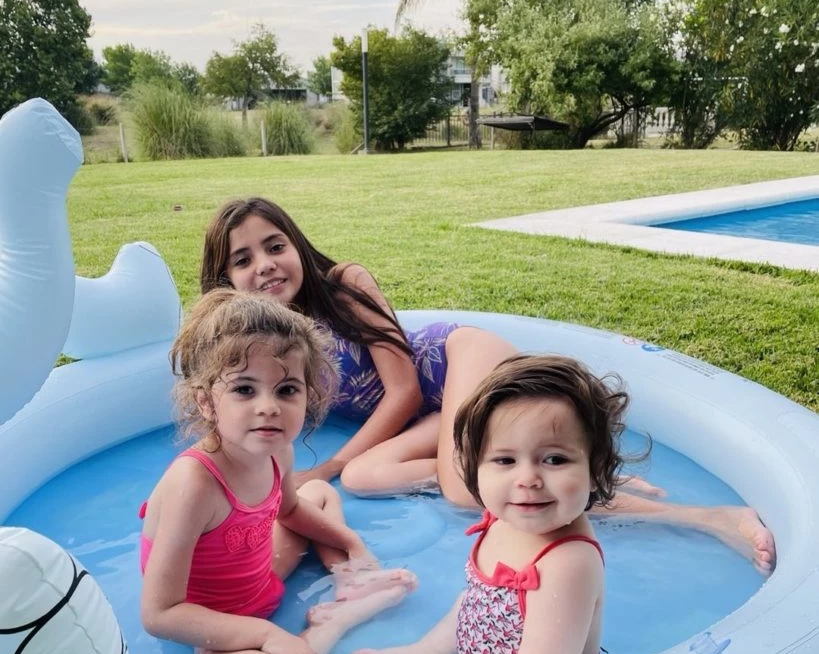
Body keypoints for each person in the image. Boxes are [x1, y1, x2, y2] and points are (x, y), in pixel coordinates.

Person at [200, 197, 775, 576]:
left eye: (276, 245)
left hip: (463, 364)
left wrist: (319, 471)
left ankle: (711, 517)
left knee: (457, 489)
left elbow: (399, 391)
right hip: (433, 414)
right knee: (365, 476)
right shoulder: (267, 340)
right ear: (226, 279)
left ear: (297, 244)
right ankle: (534, 465)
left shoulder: (343, 284)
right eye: (244, 260)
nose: (267, 265)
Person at [139, 289, 417, 654]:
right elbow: (161, 614)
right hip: (215, 616)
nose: (268, 407)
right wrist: (267, 636)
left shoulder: (277, 452)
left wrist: (351, 548)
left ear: (310, 395)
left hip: (259, 571)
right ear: (206, 402)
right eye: (245, 390)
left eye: (287, 390)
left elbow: (288, 510)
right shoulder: (193, 485)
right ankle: (330, 640)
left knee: (319, 493)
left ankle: (345, 585)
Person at [296, 354, 622, 654]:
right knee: (475, 598)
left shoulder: (568, 561)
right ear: (475, 467)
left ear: (595, 470)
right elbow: (483, 603)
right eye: (505, 461)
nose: (527, 479)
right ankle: (428, 653)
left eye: (555, 460)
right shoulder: (509, 517)